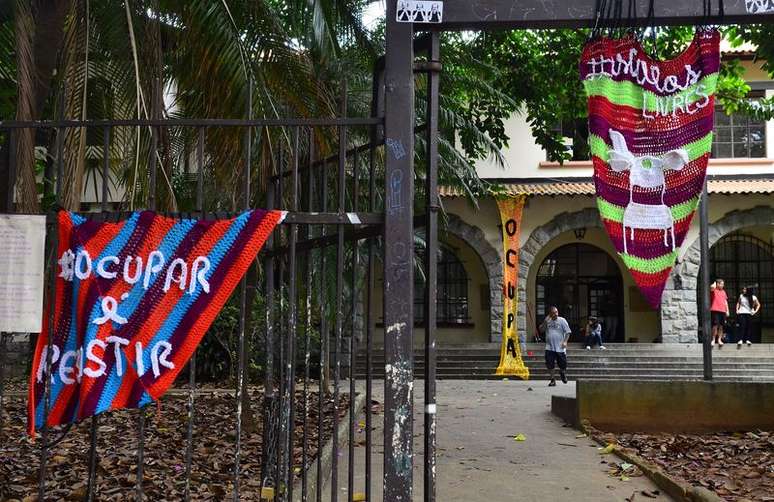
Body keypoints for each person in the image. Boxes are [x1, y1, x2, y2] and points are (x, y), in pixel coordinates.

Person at [539, 306, 571, 386]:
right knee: (550, 364)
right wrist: (545, 322)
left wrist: (565, 342)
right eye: (553, 313)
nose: (555, 314)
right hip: (549, 347)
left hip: (560, 347)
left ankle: (562, 373)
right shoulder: (547, 321)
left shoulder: (562, 320)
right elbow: (541, 330)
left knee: (563, 364)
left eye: (556, 312)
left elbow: (568, 332)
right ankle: (552, 380)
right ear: (550, 314)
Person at [710, 279, 729, 347]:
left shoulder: (724, 292)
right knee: (715, 325)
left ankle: (719, 340)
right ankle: (713, 339)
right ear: (717, 284)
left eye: (723, 284)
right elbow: (712, 287)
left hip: (723, 311)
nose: (723, 285)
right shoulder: (714, 290)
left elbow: (725, 302)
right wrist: (715, 283)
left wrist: (727, 310)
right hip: (715, 310)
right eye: (721, 284)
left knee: (721, 326)